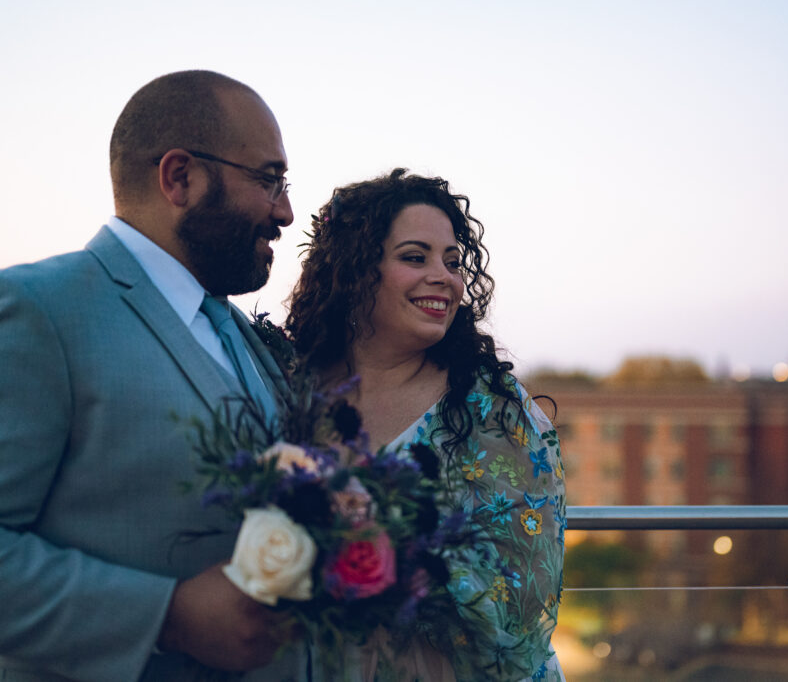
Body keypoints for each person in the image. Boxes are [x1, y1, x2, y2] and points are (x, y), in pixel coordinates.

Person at [0, 71, 312, 681]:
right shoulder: (38, 310)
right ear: (180, 177)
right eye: (269, 179)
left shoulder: (243, 335)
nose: (286, 210)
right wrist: (166, 615)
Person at [287, 169, 567, 681]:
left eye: (454, 261)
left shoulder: (491, 409)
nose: (445, 276)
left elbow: (521, 606)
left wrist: (376, 545)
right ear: (352, 269)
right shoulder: (285, 385)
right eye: (415, 257)